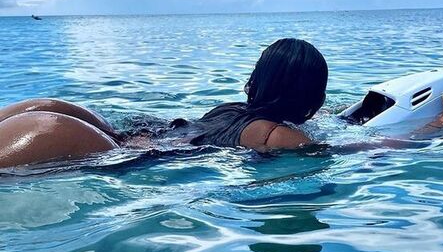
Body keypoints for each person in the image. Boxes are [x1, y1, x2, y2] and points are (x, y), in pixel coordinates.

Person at [0, 38, 328, 169]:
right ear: (312, 96)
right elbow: (327, 151)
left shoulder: (230, 109)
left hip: (137, 134)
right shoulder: (279, 136)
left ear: (256, 81)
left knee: (45, 107)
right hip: (134, 154)